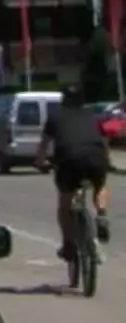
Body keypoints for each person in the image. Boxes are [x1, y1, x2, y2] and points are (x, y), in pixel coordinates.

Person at [40, 96, 113, 257]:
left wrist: (39, 161)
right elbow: (103, 139)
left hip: (69, 160)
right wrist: (106, 159)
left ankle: (68, 244)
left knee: (65, 201)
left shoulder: (55, 117)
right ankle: (101, 214)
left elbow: (44, 143)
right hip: (96, 157)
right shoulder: (93, 115)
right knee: (100, 186)